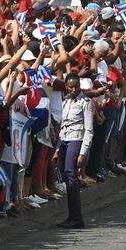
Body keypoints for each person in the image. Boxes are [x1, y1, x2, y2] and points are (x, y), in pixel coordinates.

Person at [53, 72, 93, 229]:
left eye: (76, 87)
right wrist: (57, 150)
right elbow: (62, 127)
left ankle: (76, 217)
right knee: (66, 175)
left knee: (71, 175)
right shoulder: (64, 102)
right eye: (70, 87)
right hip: (65, 141)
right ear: (66, 87)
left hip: (77, 139)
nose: (73, 90)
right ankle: (72, 215)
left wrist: (83, 153)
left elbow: (89, 130)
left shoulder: (86, 102)